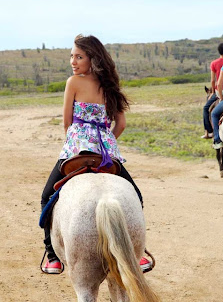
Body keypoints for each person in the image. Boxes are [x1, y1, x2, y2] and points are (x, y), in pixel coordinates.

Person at [40, 34, 150, 275]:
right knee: (135, 196)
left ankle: (52, 255)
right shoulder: (110, 86)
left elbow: (67, 122)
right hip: (105, 151)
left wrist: (75, 141)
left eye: (79, 56)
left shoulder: (73, 83)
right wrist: (107, 141)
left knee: (47, 196)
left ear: (93, 58)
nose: (73, 61)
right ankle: (138, 252)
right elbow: (120, 124)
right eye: (72, 56)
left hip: (77, 147)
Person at [201, 42, 223, 139]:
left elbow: (213, 80)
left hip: (220, 92)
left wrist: (213, 92)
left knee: (206, 108)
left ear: (219, 51)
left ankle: (209, 132)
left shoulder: (214, 63)